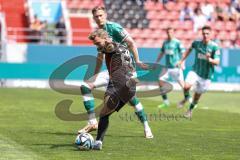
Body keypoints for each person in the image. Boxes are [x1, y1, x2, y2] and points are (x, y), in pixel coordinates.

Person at [78, 6, 153, 139]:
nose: (98, 18)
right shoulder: (98, 34)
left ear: (105, 15)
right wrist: (93, 76)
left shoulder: (114, 28)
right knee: (85, 86)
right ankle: (92, 122)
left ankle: (146, 126)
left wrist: (138, 60)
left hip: (125, 71)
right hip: (111, 71)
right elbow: (100, 58)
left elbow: (131, 42)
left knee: (131, 100)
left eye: (101, 15)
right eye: (96, 16)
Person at [88, 29, 137, 150]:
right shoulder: (120, 46)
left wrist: (107, 45)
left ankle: (98, 142)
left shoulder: (110, 46)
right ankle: (98, 142)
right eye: (95, 44)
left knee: (103, 113)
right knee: (105, 112)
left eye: (98, 42)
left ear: (105, 38)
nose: (97, 46)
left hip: (120, 84)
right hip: (129, 85)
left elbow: (110, 47)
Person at [177, 25, 220, 118]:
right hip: (195, 71)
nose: (205, 35)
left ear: (211, 34)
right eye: (203, 33)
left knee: (197, 96)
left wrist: (210, 59)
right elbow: (188, 50)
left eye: (207, 33)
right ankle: (186, 98)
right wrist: (181, 60)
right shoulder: (196, 44)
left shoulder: (214, 47)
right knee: (186, 86)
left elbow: (217, 62)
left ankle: (190, 110)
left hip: (206, 76)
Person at [154, 27, 190, 109]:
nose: (169, 33)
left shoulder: (177, 42)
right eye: (168, 32)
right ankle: (166, 102)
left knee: (183, 86)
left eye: (171, 32)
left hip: (176, 67)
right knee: (160, 81)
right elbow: (162, 53)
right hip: (167, 67)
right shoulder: (165, 43)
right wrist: (156, 62)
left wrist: (182, 63)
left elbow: (183, 53)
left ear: (173, 33)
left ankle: (190, 99)